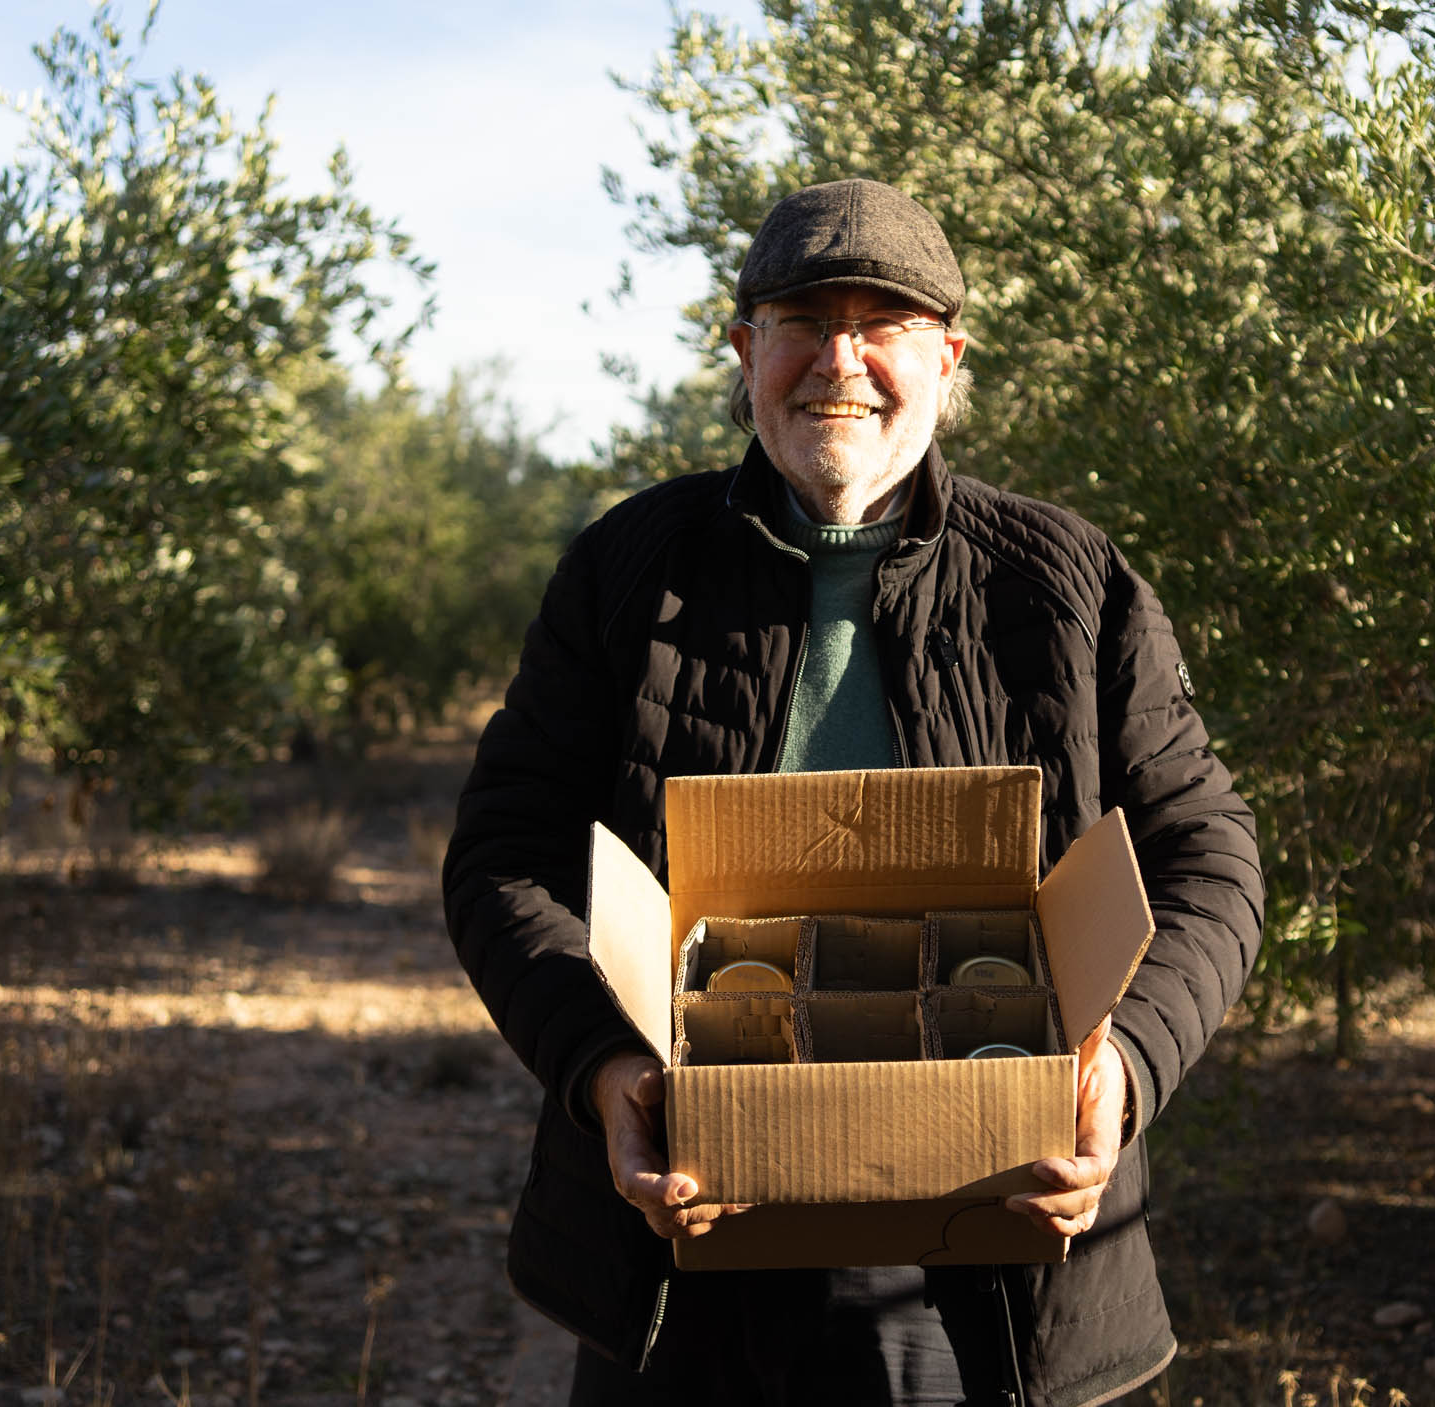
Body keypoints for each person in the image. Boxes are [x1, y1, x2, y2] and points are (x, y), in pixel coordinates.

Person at [442, 177, 1264, 1407]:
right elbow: (505, 856)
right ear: (745, 352)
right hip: (683, 1228)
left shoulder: (1064, 585)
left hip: (984, 1251)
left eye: (883, 323)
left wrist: (1126, 1068)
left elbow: (1211, 856)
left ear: (946, 358)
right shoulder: (629, 571)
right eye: (802, 322)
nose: (840, 361)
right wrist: (607, 1069)